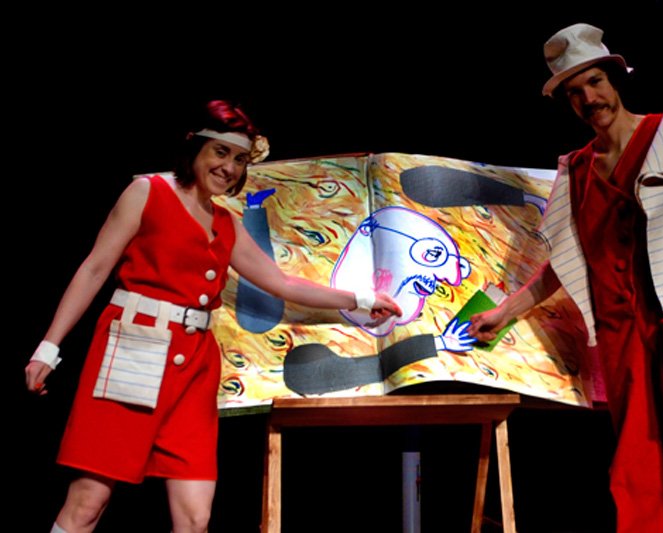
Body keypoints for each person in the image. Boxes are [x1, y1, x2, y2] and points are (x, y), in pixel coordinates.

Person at [24, 100, 402, 533]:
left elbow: (282, 283)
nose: (229, 168)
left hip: (195, 369)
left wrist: (361, 299)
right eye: (220, 152)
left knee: (195, 517)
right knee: (88, 503)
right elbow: (94, 269)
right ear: (195, 147)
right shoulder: (148, 192)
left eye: (239, 159)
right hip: (134, 350)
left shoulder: (226, 223)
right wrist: (48, 348)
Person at [468, 23, 663, 532]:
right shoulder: (576, 170)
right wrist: (505, 311)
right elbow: (564, 263)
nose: (589, 99)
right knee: (636, 479)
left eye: (594, 82)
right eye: (575, 93)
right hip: (622, 339)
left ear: (614, 79)